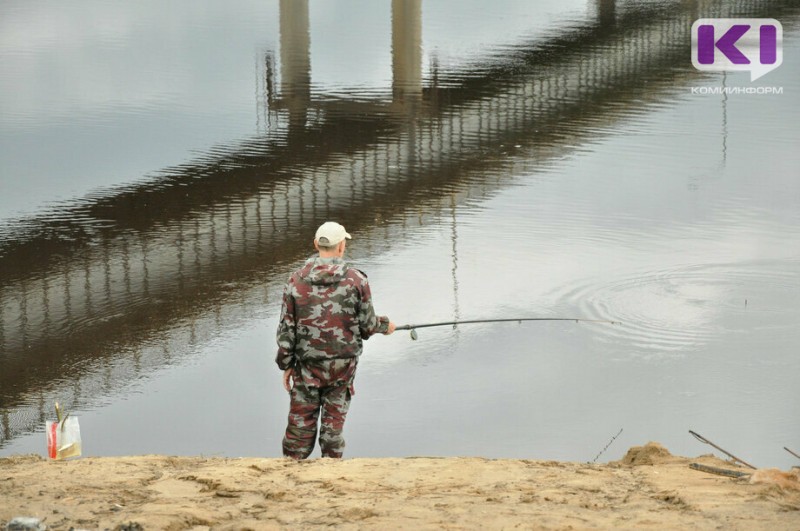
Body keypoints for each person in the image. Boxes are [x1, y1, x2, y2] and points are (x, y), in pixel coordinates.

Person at [276, 221, 395, 459]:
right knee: (333, 422)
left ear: (315, 245)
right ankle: (331, 466)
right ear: (341, 247)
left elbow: (286, 330)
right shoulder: (357, 280)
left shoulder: (295, 281)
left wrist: (286, 364)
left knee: (300, 424)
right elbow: (367, 325)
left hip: (307, 366)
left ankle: (290, 468)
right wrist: (386, 326)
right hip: (343, 365)